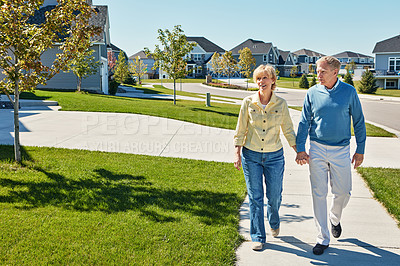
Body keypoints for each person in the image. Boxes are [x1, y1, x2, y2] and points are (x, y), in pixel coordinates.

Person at [295, 56, 366, 255]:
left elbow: (359, 122)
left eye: (322, 71)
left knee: (343, 192)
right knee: (318, 193)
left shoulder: (349, 92)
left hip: (341, 150)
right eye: (317, 70)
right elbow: (303, 122)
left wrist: (360, 149)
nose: (318, 75)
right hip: (316, 148)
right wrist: (301, 148)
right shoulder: (312, 93)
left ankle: (335, 217)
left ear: (335, 72)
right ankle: (322, 238)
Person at [234, 64, 297, 251]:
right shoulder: (248, 102)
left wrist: (298, 151)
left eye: (265, 78)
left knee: (274, 196)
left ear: (273, 80)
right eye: (258, 78)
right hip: (251, 155)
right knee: (255, 197)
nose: (261, 82)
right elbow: (240, 130)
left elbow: (288, 129)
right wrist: (237, 153)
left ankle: (274, 220)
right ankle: (258, 236)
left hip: (274, 156)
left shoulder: (281, 104)